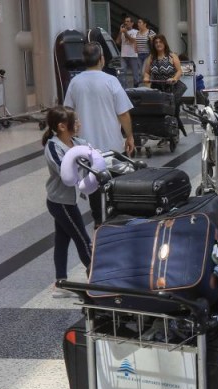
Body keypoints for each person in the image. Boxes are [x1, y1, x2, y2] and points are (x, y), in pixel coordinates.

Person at [63, 42, 135, 226]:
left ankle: (98, 222)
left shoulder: (75, 82)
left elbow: (67, 113)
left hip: (85, 149)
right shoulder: (111, 81)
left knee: (94, 187)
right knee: (116, 185)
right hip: (112, 147)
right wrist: (130, 136)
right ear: (102, 59)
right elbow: (124, 113)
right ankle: (116, 221)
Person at [42, 106, 93, 298]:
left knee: (62, 240)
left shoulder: (77, 142)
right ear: (62, 126)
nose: (79, 124)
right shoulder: (53, 146)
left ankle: (61, 283)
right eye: (76, 121)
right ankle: (96, 278)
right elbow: (64, 172)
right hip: (59, 202)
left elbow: (92, 155)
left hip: (68, 200)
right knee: (82, 239)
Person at [142, 34, 184, 100]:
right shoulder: (151, 57)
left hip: (171, 88)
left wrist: (174, 79)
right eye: (156, 42)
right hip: (156, 88)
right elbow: (147, 72)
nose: (158, 44)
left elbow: (179, 71)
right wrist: (146, 77)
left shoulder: (172, 56)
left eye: (160, 42)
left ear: (164, 43)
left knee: (172, 108)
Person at [116, 16, 140, 88]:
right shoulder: (123, 31)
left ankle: (136, 88)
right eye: (125, 21)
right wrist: (120, 33)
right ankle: (125, 88)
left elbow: (133, 41)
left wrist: (125, 33)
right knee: (122, 73)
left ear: (132, 23)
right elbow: (117, 42)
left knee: (135, 74)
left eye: (128, 21)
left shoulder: (136, 32)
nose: (126, 23)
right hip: (124, 55)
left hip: (133, 55)